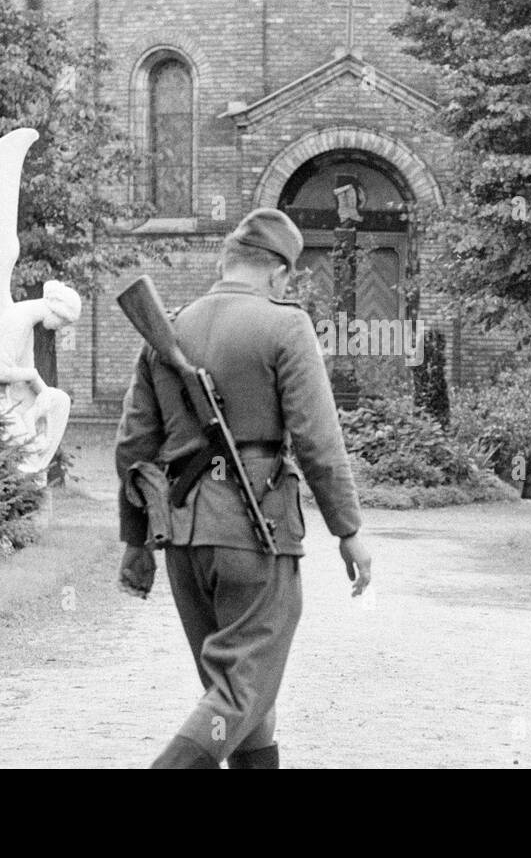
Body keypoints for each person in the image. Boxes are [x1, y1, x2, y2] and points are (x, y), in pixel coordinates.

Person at [114, 207, 372, 769]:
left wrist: (137, 543)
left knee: (246, 700)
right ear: (281, 273)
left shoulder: (170, 326)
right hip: (256, 530)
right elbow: (317, 440)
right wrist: (348, 530)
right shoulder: (285, 325)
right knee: (239, 694)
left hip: (184, 539)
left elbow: (134, 447)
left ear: (225, 261)